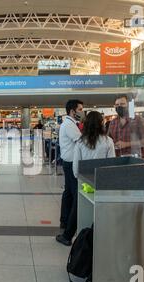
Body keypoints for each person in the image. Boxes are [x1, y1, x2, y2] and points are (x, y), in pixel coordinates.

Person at [58, 111, 115, 246]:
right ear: (102, 124)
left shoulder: (81, 142)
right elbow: (111, 164)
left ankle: (67, 236)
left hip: (84, 183)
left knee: (78, 209)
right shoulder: (108, 141)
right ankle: (102, 238)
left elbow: (76, 166)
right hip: (101, 182)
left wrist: (79, 179)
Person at [56, 99, 84, 245]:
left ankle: (64, 220)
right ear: (73, 111)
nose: (82, 111)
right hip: (71, 163)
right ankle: (68, 232)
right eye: (80, 109)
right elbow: (81, 141)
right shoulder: (69, 125)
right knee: (75, 195)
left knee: (68, 193)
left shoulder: (69, 124)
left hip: (67, 161)